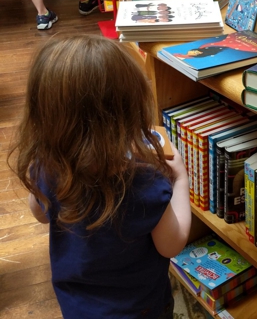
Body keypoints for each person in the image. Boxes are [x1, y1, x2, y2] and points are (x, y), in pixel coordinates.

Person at [8, 35, 192, 319]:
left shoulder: (46, 167)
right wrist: (180, 180)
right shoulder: (146, 184)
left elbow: (40, 214)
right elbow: (172, 243)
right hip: (139, 309)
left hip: (77, 305)